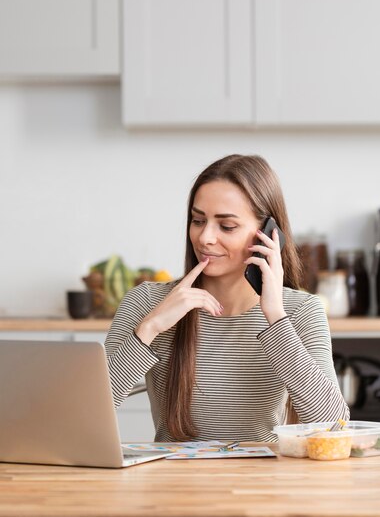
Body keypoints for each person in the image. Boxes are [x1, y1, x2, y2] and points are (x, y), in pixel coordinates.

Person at [105, 154, 349, 442]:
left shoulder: (300, 311)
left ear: (267, 235)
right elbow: (83, 411)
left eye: (227, 226)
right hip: (171, 485)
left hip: (263, 485)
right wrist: (149, 328)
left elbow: (334, 427)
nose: (205, 237)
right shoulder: (147, 302)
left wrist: (275, 317)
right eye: (198, 220)